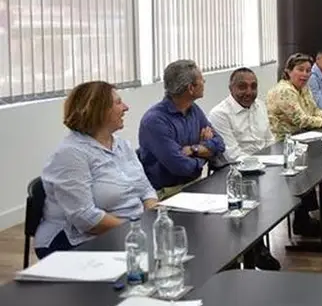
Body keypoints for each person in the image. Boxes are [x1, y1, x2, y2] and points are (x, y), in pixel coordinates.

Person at [35, 81, 158, 258]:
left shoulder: (121, 144)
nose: (126, 107)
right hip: (78, 240)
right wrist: (137, 229)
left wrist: (152, 218)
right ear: (98, 110)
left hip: (129, 229)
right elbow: (85, 218)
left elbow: (146, 190)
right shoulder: (71, 153)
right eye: (118, 103)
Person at [266, 53, 322, 236]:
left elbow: (315, 110)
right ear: (288, 71)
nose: (304, 74)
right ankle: (302, 221)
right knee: (309, 168)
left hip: (301, 140)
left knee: (319, 163)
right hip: (283, 144)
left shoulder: (303, 88)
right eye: (300, 70)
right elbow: (301, 119)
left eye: (308, 71)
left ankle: (305, 218)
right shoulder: (284, 91)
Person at [207, 67, 281, 270]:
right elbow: (233, 155)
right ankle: (253, 249)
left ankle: (259, 246)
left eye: (253, 86)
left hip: (264, 166)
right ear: (231, 88)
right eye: (242, 87)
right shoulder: (219, 114)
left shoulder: (260, 106)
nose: (249, 92)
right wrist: (268, 165)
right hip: (233, 173)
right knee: (257, 194)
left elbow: (269, 141)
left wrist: (276, 161)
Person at [138, 60, 225, 198]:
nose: (204, 83)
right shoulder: (155, 121)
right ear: (191, 88)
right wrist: (206, 155)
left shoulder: (193, 110)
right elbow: (182, 167)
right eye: (202, 80)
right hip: (167, 194)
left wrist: (193, 150)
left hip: (195, 184)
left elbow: (220, 144)